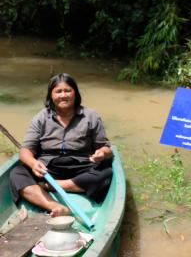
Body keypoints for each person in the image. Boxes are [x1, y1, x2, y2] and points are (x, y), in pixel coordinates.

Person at [10, 73, 113, 216]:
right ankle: (56, 206)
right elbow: (25, 150)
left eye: (68, 90)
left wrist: (101, 153)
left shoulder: (90, 116)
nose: (63, 95)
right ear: (51, 95)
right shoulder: (41, 118)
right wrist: (33, 164)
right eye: (58, 91)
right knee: (17, 173)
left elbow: (105, 147)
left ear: (75, 93)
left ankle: (50, 187)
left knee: (106, 173)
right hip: (48, 169)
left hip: (81, 167)